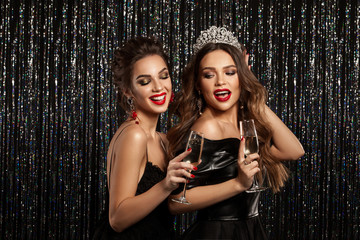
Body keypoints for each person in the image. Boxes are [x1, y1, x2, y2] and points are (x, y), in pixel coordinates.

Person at [167, 26, 305, 240]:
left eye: (230, 72)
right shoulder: (206, 128)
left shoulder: (245, 123)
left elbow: (294, 151)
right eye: (209, 74)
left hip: (249, 229)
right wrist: (238, 184)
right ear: (198, 84)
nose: (221, 81)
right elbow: (176, 202)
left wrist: (253, 97)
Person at [92, 36, 195, 239]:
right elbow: (117, 219)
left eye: (163, 76)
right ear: (128, 91)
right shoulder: (134, 135)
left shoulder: (163, 140)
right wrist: (165, 185)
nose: (158, 87)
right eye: (145, 81)